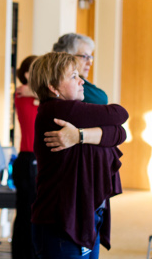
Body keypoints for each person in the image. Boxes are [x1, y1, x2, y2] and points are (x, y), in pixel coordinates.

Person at [28, 52, 128, 259]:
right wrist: (91, 135)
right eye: (73, 76)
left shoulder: (74, 113)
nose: (81, 81)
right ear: (53, 88)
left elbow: (120, 133)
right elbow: (120, 114)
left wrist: (79, 135)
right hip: (63, 222)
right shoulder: (59, 110)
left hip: (85, 215)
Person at [11, 55, 39, 259]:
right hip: (29, 160)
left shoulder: (36, 94)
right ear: (28, 74)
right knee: (27, 215)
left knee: (32, 214)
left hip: (33, 161)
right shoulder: (22, 93)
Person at [52, 33, 108, 105]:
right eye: (84, 57)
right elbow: (100, 99)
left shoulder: (81, 80)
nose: (89, 63)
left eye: (90, 58)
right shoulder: (67, 83)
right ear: (67, 57)